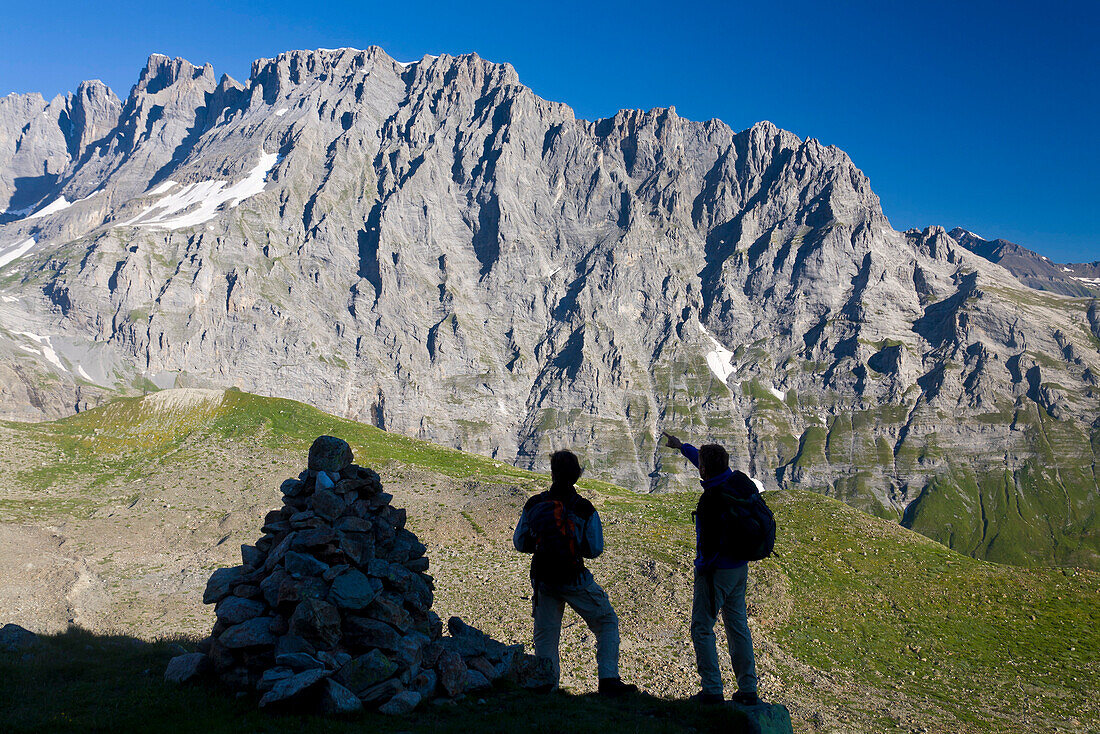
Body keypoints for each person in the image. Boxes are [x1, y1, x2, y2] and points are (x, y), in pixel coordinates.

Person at [513, 450, 637, 697]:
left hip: (543, 580)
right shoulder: (584, 508)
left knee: (546, 636)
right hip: (574, 578)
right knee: (606, 622)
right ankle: (608, 679)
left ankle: (547, 685)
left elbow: (519, 542)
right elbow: (594, 549)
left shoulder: (534, 504)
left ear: (552, 473)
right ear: (577, 475)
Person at [662, 431, 760, 706]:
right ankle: (748, 689)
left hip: (716, 571)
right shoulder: (735, 481)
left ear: (705, 469)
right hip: (740, 568)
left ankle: (712, 690)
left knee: (702, 627)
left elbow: (707, 544)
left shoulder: (711, 500)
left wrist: (701, 569)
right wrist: (682, 447)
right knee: (737, 625)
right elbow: (704, 464)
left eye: (701, 465)